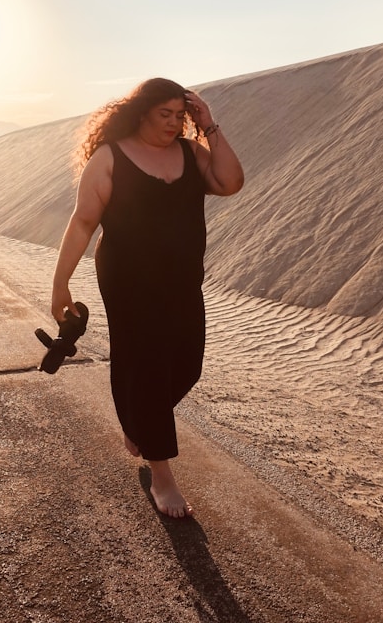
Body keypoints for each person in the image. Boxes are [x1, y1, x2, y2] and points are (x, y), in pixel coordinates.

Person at [51, 78, 244, 518]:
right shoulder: (110, 158)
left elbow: (231, 181)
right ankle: (163, 476)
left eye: (181, 116)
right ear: (142, 112)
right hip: (127, 279)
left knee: (187, 365)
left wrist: (208, 126)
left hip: (181, 280)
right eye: (166, 115)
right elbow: (83, 222)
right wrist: (61, 284)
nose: (174, 124)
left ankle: (140, 420)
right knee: (149, 366)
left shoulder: (192, 154)